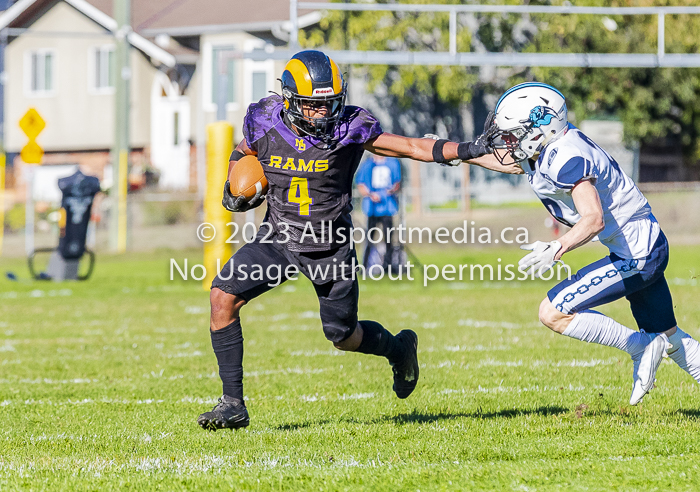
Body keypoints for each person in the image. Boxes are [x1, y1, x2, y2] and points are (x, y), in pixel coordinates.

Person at [197, 50, 493, 430]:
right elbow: (243, 151)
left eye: (329, 105)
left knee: (342, 336)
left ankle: (399, 348)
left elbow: (412, 147)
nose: (323, 114)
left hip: (330, 245)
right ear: (289, 101)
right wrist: (234, 179)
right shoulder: (266, 120)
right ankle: (232, 404)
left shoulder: (351, 128)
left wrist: (467, 150)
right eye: (313, 106)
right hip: (279, 237)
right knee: (222, 297)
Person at [468, 82, 700, 405]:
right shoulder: (555, 145)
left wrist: (556, 247)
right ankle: (648, 344)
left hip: (637, 254)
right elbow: (510, 162)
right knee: (670, 337)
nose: (508, 142)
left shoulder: (566, 155)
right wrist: (462, 155)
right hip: (642, 245)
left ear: (539, 128)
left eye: (513, 134)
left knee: (552, 311)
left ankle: (638, 346)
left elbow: (594, 219)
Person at [355, 154, 402, 271]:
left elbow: (397, 183)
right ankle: (364, 266)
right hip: (372, 209)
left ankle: (388, 266)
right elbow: (360, 184)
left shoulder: (393, 162)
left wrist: (391, 190)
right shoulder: (367, 164)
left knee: (388, 239)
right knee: (369, 238)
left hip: (388, 208)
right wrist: (371, 195)